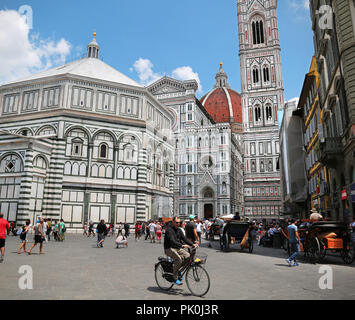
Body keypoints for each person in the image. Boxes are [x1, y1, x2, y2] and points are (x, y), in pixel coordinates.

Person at [164, 216, 197, 285]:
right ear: (173, 222)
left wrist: (192, 244)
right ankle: (174, 278)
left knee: (188, 256)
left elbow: (184, 239)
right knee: (178, 259)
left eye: (179, 222)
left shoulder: (179, 230)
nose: (178, 224)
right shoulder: (169, 230)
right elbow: (172, 241)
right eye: (176, 222)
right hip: (169, 248)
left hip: (177, 248)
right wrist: (182, 245)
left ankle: (178, 270)